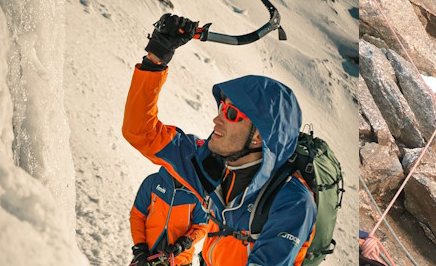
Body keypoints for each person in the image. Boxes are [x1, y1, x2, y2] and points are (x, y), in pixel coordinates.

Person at [123, 15, 318, 266]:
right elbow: (140, 132)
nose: (217, 120)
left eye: (231, 114)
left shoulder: (291, 202)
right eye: (221, 108)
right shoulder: (210, 165)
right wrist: (156, 58)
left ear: (259, 135)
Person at [130, 167, 210, 265]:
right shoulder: (152, 182)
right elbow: (137, 216)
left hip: (179, 259)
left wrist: (185, 242)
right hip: (147, 255)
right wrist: (140, 247)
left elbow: (201, 226)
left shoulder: (198, 193)